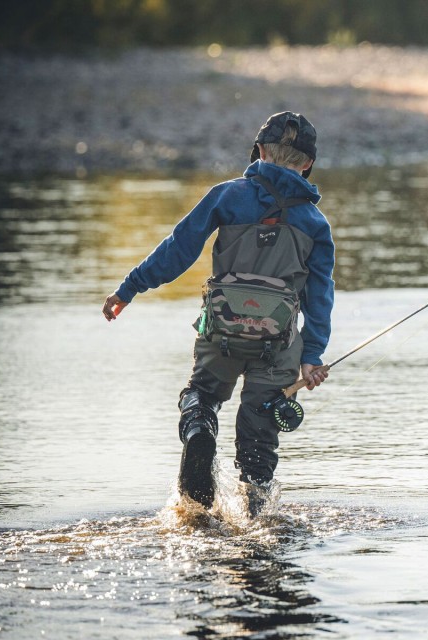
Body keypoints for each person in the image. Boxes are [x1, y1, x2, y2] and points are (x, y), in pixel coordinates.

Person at [102, 111, 334, 515]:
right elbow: (320, 296)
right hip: (278, 348)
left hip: (220, 335)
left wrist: (130, 288)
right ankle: (257, 518)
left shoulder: (228, 196)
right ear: (307, 163)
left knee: (202, 397)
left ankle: (199, 430)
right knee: (258, 438)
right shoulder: (315, 222)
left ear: (259, 151)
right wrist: (312, 355)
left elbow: (178, 248)